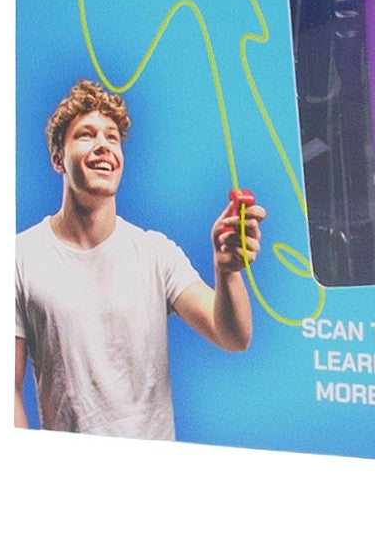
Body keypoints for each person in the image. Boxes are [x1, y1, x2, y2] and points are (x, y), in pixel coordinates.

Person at [14, 79, 264, 439]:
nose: (103, 146)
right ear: (58, 159)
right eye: (86, 135)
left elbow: (233, 336)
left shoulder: (155, 253)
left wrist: (227, 272)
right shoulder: (21, 257)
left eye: (112, 138)